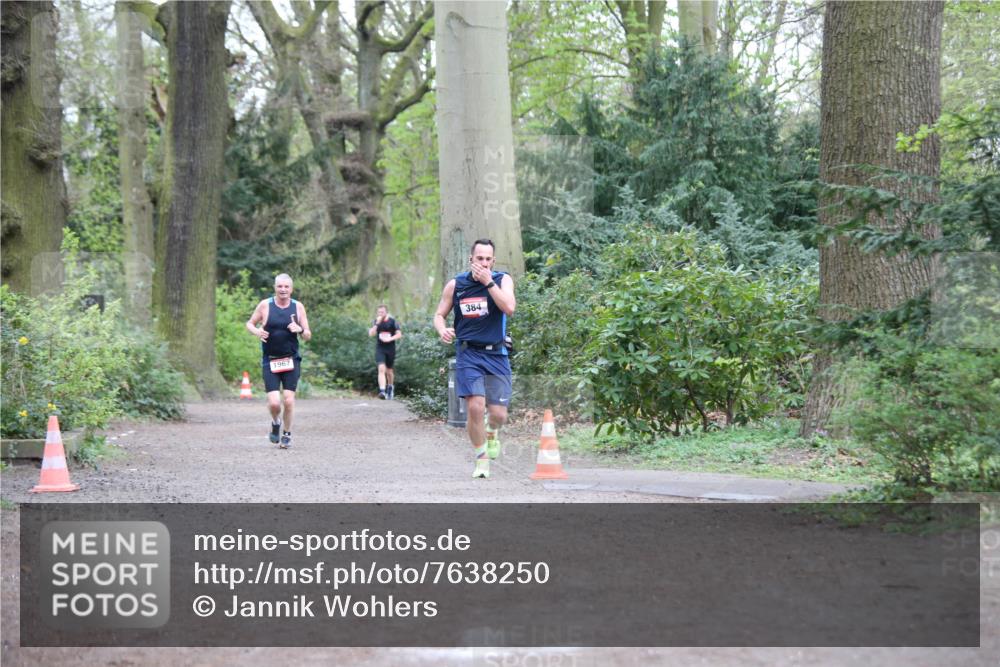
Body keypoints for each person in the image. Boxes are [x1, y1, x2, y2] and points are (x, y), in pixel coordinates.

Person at [433, 239, 516, 479]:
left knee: (499, 414)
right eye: (480, 258)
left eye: (488, 259)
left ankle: (492, 432)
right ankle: (481, 459)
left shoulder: (502, 280)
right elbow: (439, 314)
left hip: (497, 354)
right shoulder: (456, 285)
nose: (484, 263)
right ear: (471, 259)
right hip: (469, 353)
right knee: (475, 407)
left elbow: (509, 308)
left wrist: (488, 282)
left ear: (494, 261)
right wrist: (442, 329)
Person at [246, 273, 311, 449]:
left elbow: (307, 335)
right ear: (275, 287)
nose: (283, 290)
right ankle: (276, 422)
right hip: (271, 360)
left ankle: (287, 433)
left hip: (291, 359)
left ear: (291, 289)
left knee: (288, 400)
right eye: (280, 286)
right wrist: (257, 332)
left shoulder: (298, 307)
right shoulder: (265, 305)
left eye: (286, 287)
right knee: (274, 403)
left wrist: (300, 329)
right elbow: (250, 324)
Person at [368, 304, 402, 399]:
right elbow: (371, 334)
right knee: (381, 368)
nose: (380, 314)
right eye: (379, 312)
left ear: (386, 312)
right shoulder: (376, 322)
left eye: (382, 312)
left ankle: (390, 387)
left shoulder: (392, 321)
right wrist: (377, 324)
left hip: (390, 348)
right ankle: (382, 391)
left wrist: (390, 338)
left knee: (389, 371)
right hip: (380, 348)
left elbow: (399, 334)